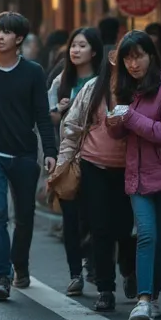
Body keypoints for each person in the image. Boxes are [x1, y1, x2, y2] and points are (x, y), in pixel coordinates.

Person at [105, 30, 161, 320]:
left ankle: (153, 297)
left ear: (151, 56)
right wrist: (114, 123)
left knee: (159, 241)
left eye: (138, 56)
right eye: (127, 59)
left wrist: (130, 119)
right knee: (146, 236)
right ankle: (142, 301)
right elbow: (122, 132)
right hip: (138, 177)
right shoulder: (129, 89)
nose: (133, 64)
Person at [0, 12, 57, 300]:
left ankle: (20, 264)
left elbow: (42, 115)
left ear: (19, 38)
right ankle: (2, 275)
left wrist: (50, 151)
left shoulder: (33, 72)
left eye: (5, 32)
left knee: (24, 217)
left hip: (24, 154)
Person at [58, 54, 137, 312]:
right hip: (93, 166)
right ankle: (105, 289)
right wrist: (64, 161)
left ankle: (129, 270)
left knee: (126, 228)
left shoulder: (137, 87)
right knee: (100, 228)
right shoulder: (93, 88)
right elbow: (72, 126)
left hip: (128, 168)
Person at [46, 26, 104, 295]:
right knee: (70, 218)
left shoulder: (104, 82)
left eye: (82, 46)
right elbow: (49, 116)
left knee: (94, 215)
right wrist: (59, 110)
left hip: (97, 157)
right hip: (68, 158)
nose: (76, 50)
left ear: (94, 51)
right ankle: (75, 274)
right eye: (73, 45)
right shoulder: (61, 82)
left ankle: (93, 261)